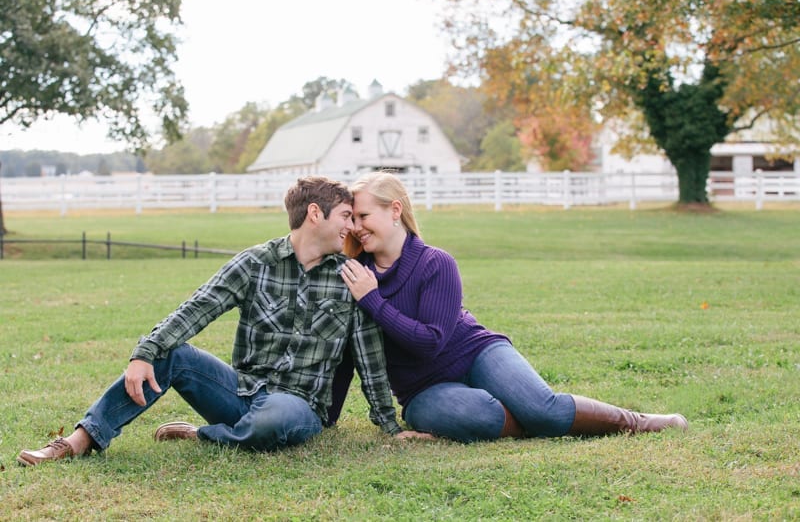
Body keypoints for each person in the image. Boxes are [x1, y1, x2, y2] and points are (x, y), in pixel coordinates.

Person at [18, 176, 403, 466]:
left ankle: (202, 435)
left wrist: (390, 427)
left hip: (300, 407)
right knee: (174, 355)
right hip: (241, 392)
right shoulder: (255, 263)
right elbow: (198, 308)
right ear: (315, 214)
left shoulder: (351, 277)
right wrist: (143, 354)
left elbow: (369, 358)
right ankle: (81, 439)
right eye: (345, 216)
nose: (352, 227)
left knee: (277, 416)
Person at [328, 171, 688, 443]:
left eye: (363, 216)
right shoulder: (355, 275)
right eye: (352, 219)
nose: (356, 228)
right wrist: (326, 420)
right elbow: (344, 353)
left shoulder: (435, 263)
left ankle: (640, 421)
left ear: (395, 210)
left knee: (542, 409)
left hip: (476, 352)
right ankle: (484, 426)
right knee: (482, 415)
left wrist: (373, 300)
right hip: (423, 390)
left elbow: (430, 342)